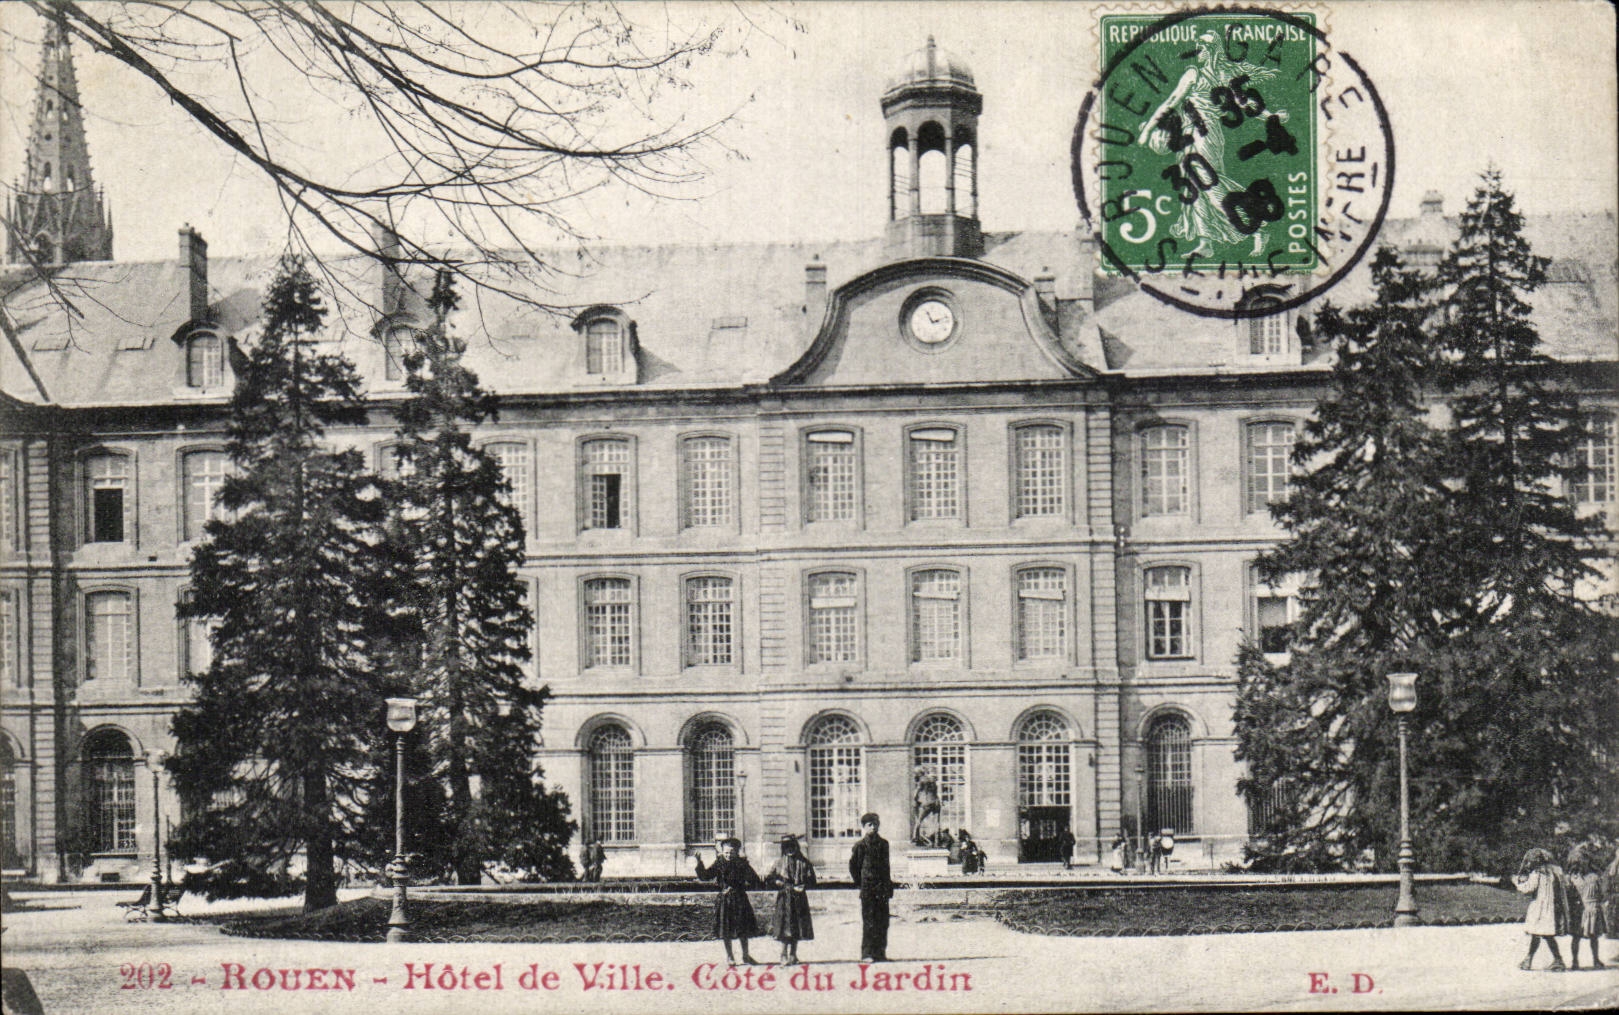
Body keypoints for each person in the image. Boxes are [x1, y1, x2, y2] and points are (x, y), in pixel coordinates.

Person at [694, 836, 763, 965]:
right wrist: (699, 863)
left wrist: (740, 886)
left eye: (731, 852)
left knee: (743, 929)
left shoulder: (742, 864)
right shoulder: (719, 863)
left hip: (740, 900)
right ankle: (730, 956)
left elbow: (755, 881)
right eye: (726, 852)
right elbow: (705, 876)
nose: (729, 855)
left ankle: (745, 955)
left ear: (737, 852)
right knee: (726, 928)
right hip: (725, 900)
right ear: (722, 852)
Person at [1514, 847, 1573, 971]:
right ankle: (1529, 960)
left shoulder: (1537, 873)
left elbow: (1529, 888)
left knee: (1541, 934)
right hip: (1552, 907)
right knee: (1540, 934)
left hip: (1541, 908)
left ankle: (1557, 960)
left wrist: (1518, 884)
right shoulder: (1554, 872)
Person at [764, 835, 816, 965]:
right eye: (787, 847)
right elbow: (769, 879)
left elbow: (812, 881)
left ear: (796, 847)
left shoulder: (804, 862)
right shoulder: (779, 862)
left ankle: (793, 954)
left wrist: (804, 886)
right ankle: (783, 954)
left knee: (797, 926)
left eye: (792, 846)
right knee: (784, 927)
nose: (790, 850)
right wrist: (777, 882)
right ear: (783, 849)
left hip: (799, 898)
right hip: (785, 898)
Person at [849, 812, 893, 963]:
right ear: (864, 827)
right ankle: (867, 954)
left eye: (875, 824)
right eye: (870, 825)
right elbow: (853, 866)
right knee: (869, 921)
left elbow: (887, 867)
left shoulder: (884, 844)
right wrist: (860, 883)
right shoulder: (860, 846)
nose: (873, 827)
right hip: (868, 889)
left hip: (882, 889)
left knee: (883, 921)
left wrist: (888, 886)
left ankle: (880, 953)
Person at [1567, 843, 1609, 970]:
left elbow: (1602, 894)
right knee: (1582, 937)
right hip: (1583, 909)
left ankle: (1590, 960)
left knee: (1588, 937)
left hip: (1586, 909)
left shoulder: (1588, 878)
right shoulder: (1577, 878)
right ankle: (1581, 961)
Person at [911, 767, 940, 846]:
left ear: (919, 773)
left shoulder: (922, 780)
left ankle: (915, 837)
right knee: (936, 822)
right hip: (936, 802)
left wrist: (914, 800)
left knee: (919, 820)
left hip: (927, 802)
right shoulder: (932, 780)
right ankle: (937, 841)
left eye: (916, 774)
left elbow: (917, 791)